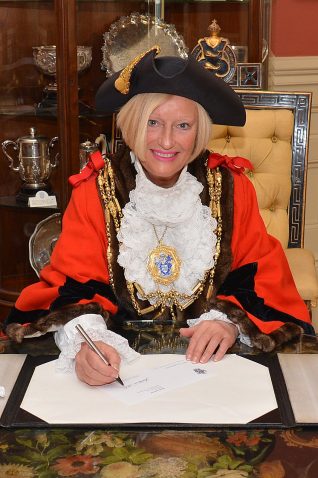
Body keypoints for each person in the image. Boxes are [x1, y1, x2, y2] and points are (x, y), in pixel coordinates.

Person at [3, 45, 315, 386]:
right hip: (122, 365)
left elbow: (260, 275)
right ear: (131, 124)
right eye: (153, 122)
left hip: (217, 366)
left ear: (199, 130)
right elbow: (74, 286)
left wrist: (227, 321)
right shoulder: (95, 191)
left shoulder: (232, 188)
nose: (167, 141)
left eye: (183, 125)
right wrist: (87, 343)